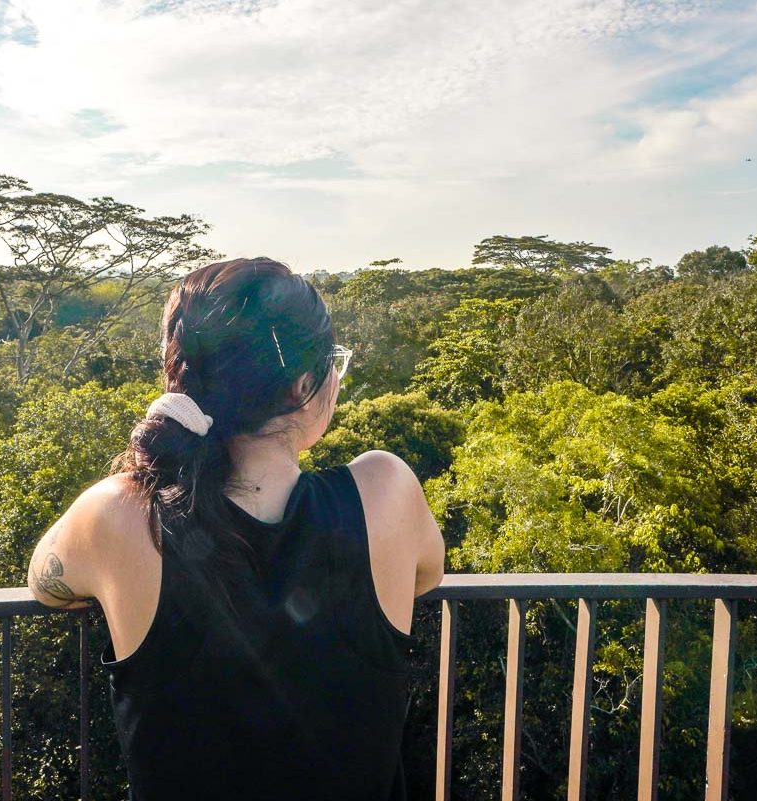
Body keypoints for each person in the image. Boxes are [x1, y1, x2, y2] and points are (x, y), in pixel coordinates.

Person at [26, 256, 445, 800]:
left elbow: (45, 582)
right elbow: (428, 574)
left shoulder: (122, 513)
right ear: (301, 387)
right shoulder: (386, 489)